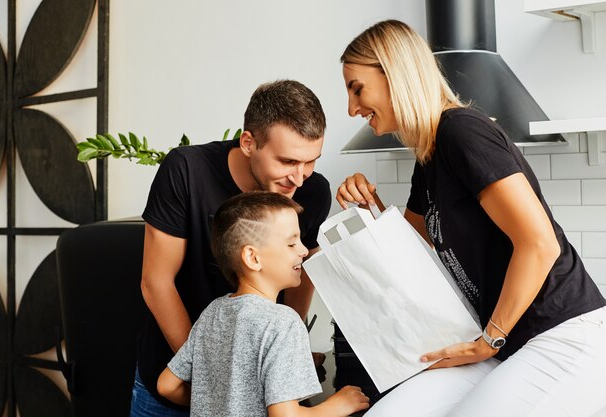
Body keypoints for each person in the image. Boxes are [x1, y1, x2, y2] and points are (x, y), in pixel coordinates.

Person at [336, 19, 606, 417]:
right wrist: (368, 205)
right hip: (503, 341)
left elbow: (540, 243)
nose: (351, 108)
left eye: (357, 88)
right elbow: (410, 249)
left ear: (395, 73)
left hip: (560, 332)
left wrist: (487, 342)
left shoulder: (462, 132)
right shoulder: (427, 156)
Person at [130, 80, 332, 416]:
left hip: (255, 388)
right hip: (172, 380)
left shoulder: (313, 192)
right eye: (286, 161)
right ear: (248, 142)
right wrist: (212, 377)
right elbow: (156, 282)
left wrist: (288, 356)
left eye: (310, 161)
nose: (299, 178)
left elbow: (303, 273)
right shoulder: (186, 171)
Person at [156, 191, 370, 416]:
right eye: (291, 244)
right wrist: (337, 405)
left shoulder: (213, 311)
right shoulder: (283, 321)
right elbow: (285, 414)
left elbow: (167, 385)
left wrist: (221, 405)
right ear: (253, 258)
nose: (304, 250)